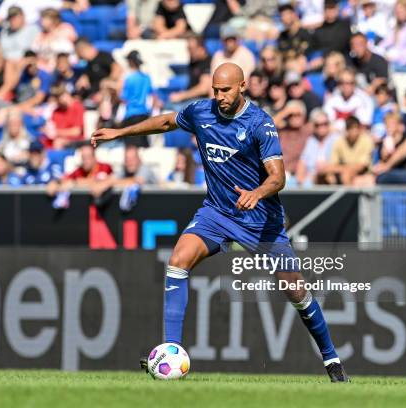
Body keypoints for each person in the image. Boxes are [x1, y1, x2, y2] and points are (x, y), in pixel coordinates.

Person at [90, 62, 349, 382]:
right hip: (217, 213)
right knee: (178, 259)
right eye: (215, 90)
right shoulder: (202, 111)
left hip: (260, 220)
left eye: (225, 90)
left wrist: (257, 192)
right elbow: (166, 121)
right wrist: (120, 132)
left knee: (295, 290)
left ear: (242, 87)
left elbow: (278, 178)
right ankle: (171, 351)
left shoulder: (260, 124)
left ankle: (331, 359)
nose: (219, 96)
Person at [323, 116, 374, 185]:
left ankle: (349, 195)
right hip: (342, 172)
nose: (354, 132)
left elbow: (361, 166)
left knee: (346, 175)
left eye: (356, 128)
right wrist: (342, 169)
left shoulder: (366, 141)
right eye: (351, 128)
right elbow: (332, 165)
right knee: (325, 176)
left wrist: (343, 169)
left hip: (363, 174)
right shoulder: (340, 141)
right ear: (346, 130)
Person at [295, 108, 337, 187]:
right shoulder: (311, 141)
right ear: (314, 126)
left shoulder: (335, 139)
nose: (322, 127)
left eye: (325, 123)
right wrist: (300, 179)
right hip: (310, 177)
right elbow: (303, 162)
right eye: (318, 125)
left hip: (328, 176)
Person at [119, 51, 153, 148]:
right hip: (144, 115)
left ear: (130, 62)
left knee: (131, 145)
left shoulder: (128, 78)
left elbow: (123, 98)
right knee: (143, 145)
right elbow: (152, 96)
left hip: (131, 115)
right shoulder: (146, 77)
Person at [167, 35, 212, 108]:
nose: (189, 52)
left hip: (202, 101)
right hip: (191, 99)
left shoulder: (208, 62)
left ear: (201, 48)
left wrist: (182, 96)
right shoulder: (193, 62)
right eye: (188, 49)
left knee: (176, 108)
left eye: (191, 49)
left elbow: (204, 89)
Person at [273, 100, 312, 181]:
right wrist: (286, 111)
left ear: (304, 116)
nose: (294, 118)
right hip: (282, 175)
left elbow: (325, 125)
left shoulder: (308, 129)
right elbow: (265, 127)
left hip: (300, 176)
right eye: (291, 115)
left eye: (298, 115)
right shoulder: (282, 130)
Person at [31, 8, 77, 73]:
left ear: (54, 19)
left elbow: (70, 46)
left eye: (44, 19)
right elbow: (35, 49)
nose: (41, 21)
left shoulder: (65, 28)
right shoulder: (40, 34)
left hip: (64, 64)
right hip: (44, 67)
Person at [311, 0, 352, 68]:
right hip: (321, 64)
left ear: (337, 9)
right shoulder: (319, 29)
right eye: (328, 8)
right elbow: (314, 47)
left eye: (332, 8)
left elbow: (340, 45)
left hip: (341, 61)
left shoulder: (344, 26)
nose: (330, 11)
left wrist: (324, 58)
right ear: (324, 10)